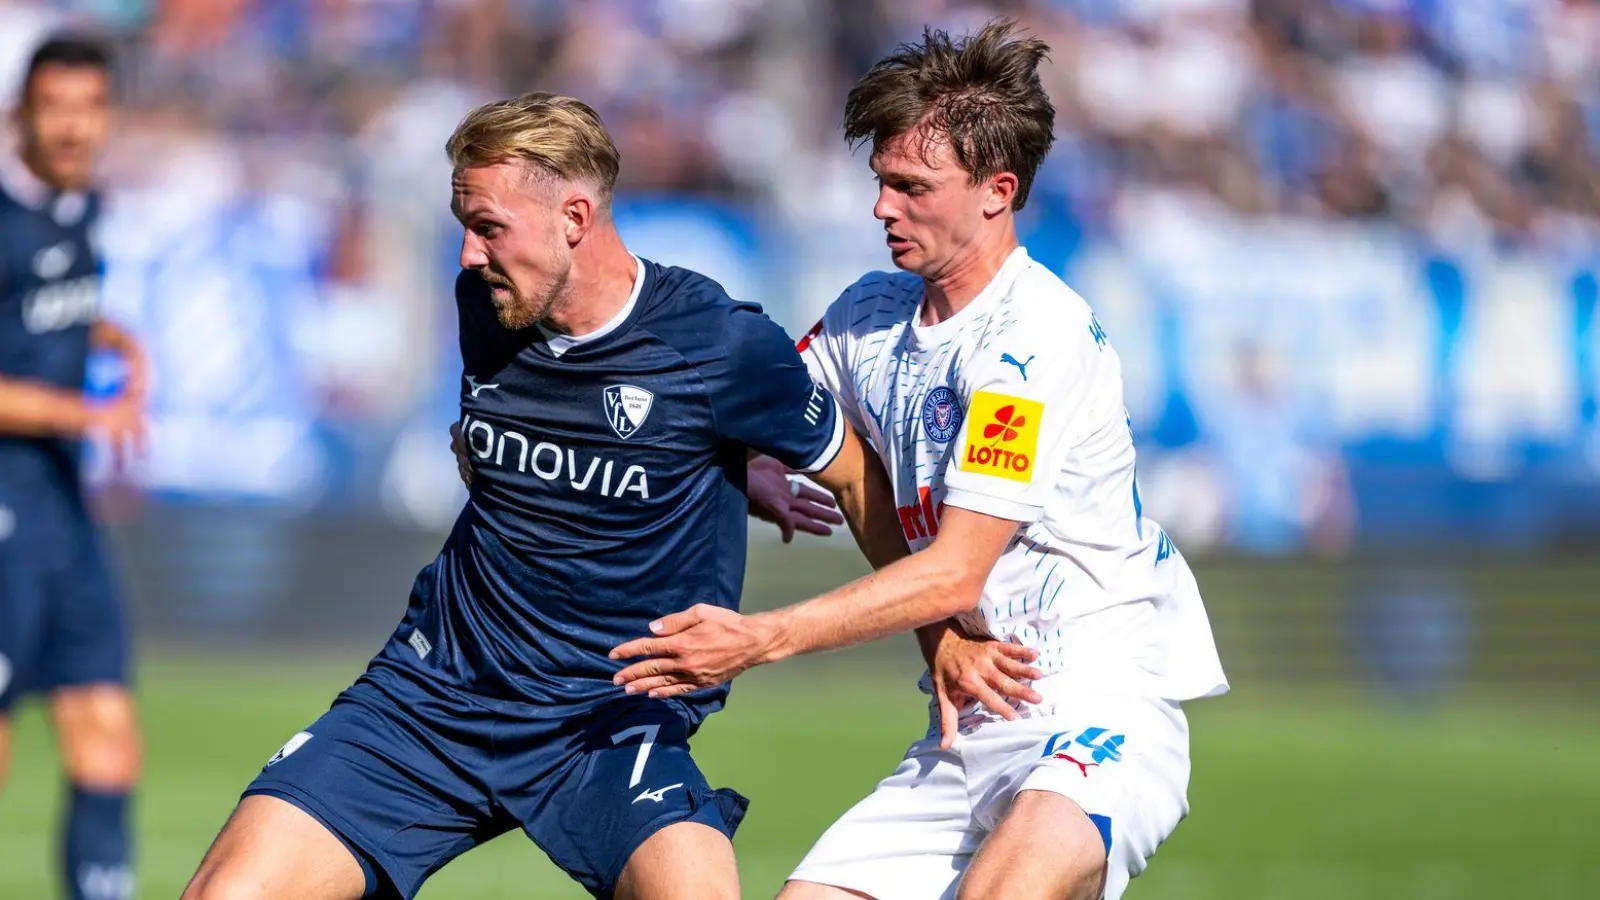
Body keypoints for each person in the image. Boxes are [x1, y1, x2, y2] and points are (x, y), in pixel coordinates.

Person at [181, 91, 907, 900]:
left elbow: (855, 481)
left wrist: (942, 639)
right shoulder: (487, 306)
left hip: (607, 717)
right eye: (463, 223)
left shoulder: (720, 344)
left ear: (573, 215)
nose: (466, 254)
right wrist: (718, 470)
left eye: (488, 226)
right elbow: (522, 445)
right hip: (432, 697)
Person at [612, 21, 1229, 900]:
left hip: (1097, 710)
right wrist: (741, 464)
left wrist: (757, 639)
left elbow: (952, 573)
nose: (881, 208)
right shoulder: (868, 314)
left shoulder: (1030, 345)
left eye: (910, 187)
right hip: (965, 722)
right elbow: (761, 418)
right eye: (879, 182)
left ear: (995, 192)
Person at [0, 34, 147, 900]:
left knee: (107, 727)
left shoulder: (84, 206)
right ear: (21, 114)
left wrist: (117, 337)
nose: (71, 128)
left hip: (60, 502)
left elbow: (47, 319)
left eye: (87, 108)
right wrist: (89, 411)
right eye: (54, 108)